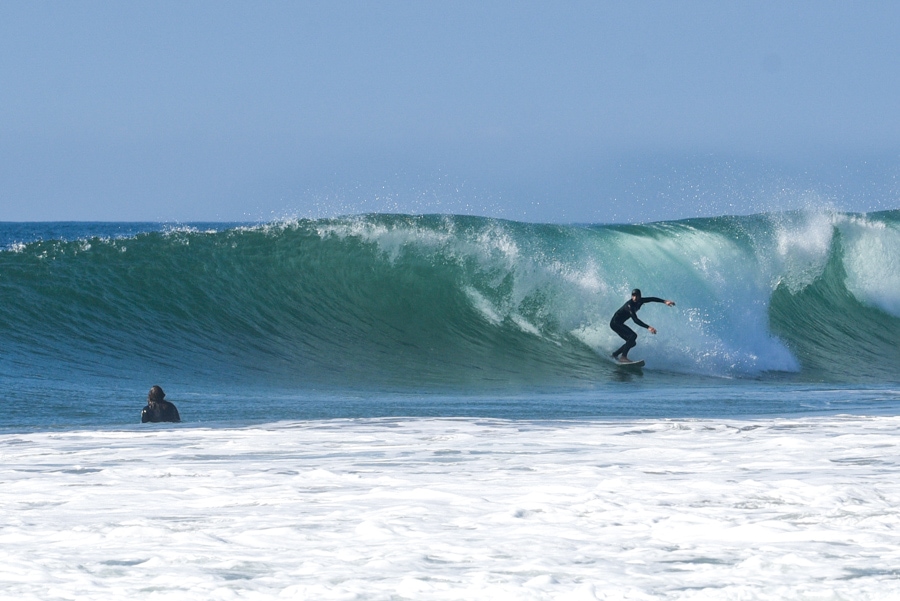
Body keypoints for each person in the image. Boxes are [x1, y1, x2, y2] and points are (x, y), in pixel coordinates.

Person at [610, 289, 675, 362]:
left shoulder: (640, 301)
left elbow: (652, 299)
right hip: (615, 323)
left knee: (632, 342)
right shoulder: (629, 306)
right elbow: (635, 320)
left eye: (636, 296)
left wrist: (664, 301)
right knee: (633, 336)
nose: (634, 298)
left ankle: (614, 355)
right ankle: (623, 357)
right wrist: (648, 327)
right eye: (633, 296)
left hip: (619, 323)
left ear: (640, 296)